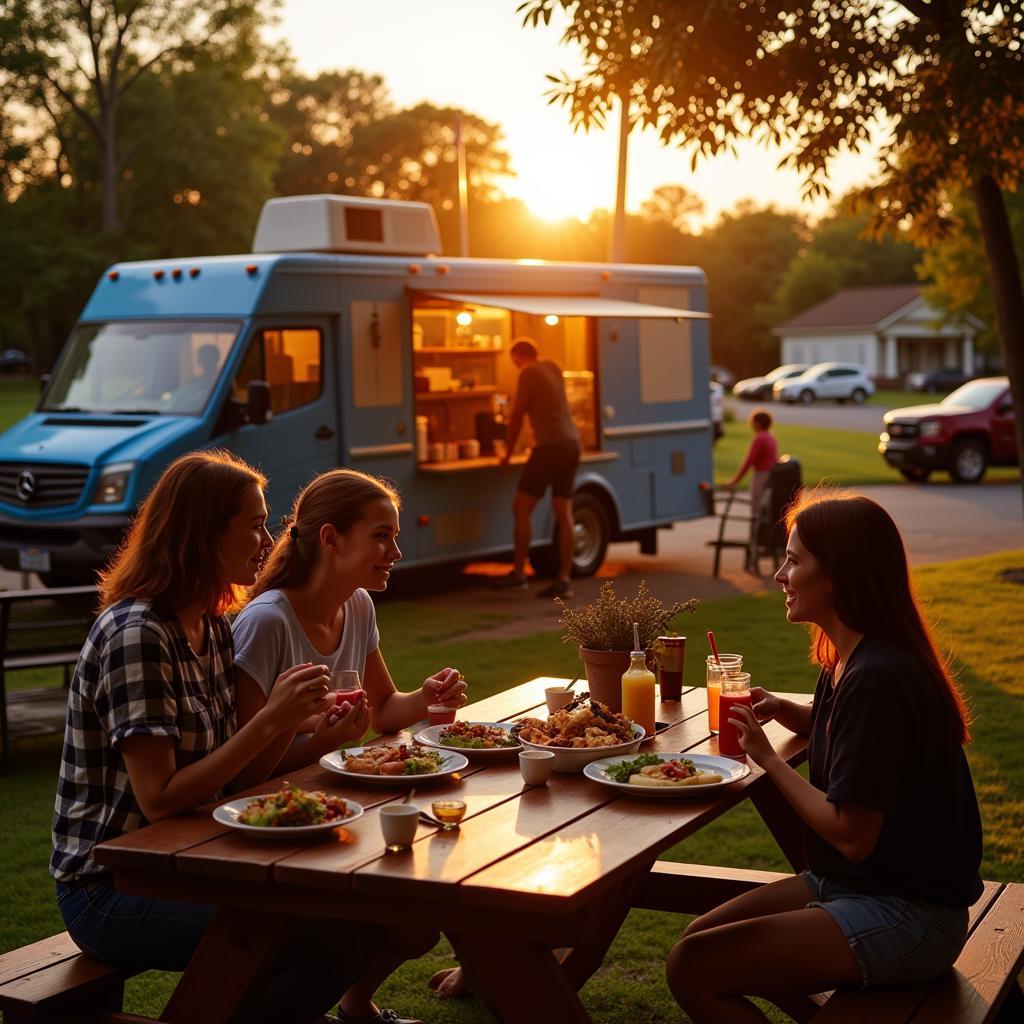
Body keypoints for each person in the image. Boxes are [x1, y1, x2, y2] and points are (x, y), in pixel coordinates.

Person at [49, 450, 390, 1024]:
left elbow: (240, 778)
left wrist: (300, 728)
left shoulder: (210, 625)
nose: (269, 538)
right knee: (320, 943)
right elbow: (159, 799)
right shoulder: (138, 634)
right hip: (109, 885)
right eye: (254, 524)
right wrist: (270, 721)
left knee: (348, 925)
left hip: (194, 856)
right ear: (203, 533)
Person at [666, 488, 983, 1023]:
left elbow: (853, 836)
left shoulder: (878, 678)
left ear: (837, 574)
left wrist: (767, 759)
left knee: (694, 966)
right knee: (701, 939)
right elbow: (868, 747)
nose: (779, 575)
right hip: (859, 887)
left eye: (794, 560)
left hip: (910, 914)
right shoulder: (851, 660)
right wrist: (794, 713)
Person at [231, 468, 468, 783]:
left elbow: (382, 710)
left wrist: (426, 697)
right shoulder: (267, 622)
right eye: (381, 536)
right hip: (276, 809)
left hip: (345, 794)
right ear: (331, 539)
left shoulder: (358, 605)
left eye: (394, 537)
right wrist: (323, 742)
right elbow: (246, 768)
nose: (396, 552)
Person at [494, 337, 581, 599]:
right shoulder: (553, 367)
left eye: (514, 362)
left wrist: (507, 454)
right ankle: (564, 579)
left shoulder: (528, 372)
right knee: (563, 511)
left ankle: (519, 573)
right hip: (572, 443)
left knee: (521, 507)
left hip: (550, 447)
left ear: (518, 357)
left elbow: (518, 415)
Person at [724, 407, 779, 572]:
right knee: (764, 515)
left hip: (761, 478)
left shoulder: (760, 439)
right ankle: (762, 547)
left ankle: (755, 549)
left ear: (757, 423)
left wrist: (734, 481)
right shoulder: (771, 437)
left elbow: (749, 461)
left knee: (756, 515)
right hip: (770, 479)